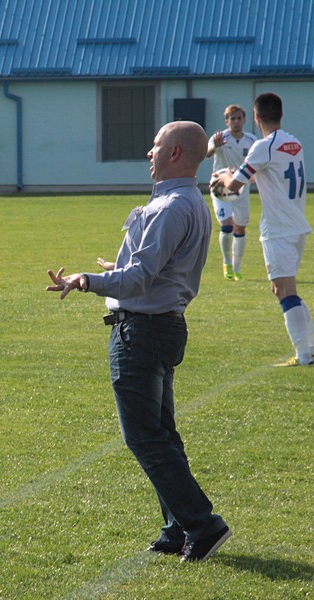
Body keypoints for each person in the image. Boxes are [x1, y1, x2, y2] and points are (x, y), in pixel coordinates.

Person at [47, 121, 231, 562]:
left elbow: (140, 277)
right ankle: (177, 528)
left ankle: (201, 526)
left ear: (174, 154)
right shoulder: (187, 201)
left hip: (143, 332)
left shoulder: (171, 206)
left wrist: (87, 279)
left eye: (155, 146)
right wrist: (117, 265)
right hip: (161, 327)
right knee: (162, 434)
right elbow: (158, 267)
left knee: (145, 437)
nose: (149, 153)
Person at [212, 93, 314, 367]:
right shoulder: (293, 142)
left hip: (278, 229)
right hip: (296, 224)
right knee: (285, 290)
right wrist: (236, 173)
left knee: (283, 289)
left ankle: (303, 356)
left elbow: (234, 186)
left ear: (256, 117)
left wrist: (222, 176)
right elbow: (265, 173)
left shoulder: (263, 146)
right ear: (281, 115)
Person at [206, 104, 257, 280]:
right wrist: (214, 147)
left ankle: (236, 268)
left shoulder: (251, 140)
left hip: (241, 187)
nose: (236, 122)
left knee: (240, 227)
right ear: (227, 121)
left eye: (238, 118)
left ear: (244, 120)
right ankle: (227, 264)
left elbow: (256, 163)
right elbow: (207, 154)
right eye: (232, 119)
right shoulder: (219, 137)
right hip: (220, 186)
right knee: (227, 225)